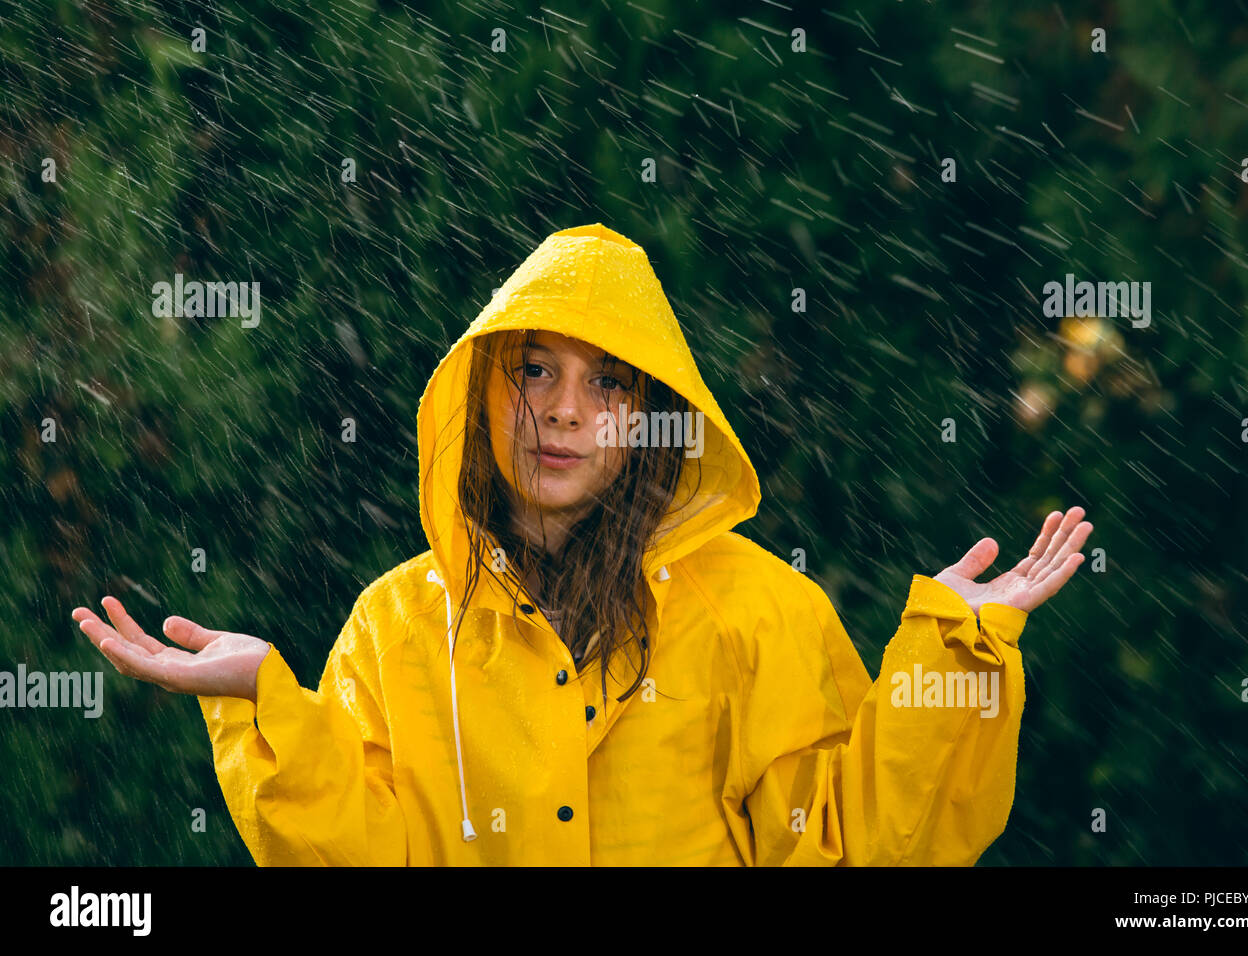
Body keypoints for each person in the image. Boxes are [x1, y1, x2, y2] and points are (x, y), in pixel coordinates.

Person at [72, 222, 1093, 865]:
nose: (564, 411)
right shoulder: (394, 626)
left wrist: (949, 649)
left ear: (651, 412)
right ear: (483, 390)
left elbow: (852, 843)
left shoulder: (757, 608)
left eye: (607, 382)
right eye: (534, 369)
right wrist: (268, 702)